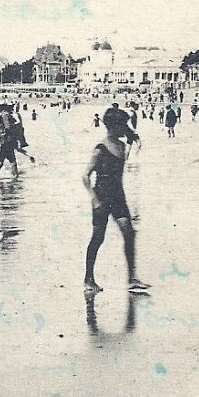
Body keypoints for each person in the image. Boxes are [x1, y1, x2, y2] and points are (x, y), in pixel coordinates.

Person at [82, 120, 150, 294]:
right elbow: (85, 176)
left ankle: (132, 279)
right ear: (112, 126)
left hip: (118, 197)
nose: (123, 128)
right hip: (102, 198)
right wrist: (94, 199)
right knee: (98, 238)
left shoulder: (120, 145)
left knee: (129, 233)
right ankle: (88, 279)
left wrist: (133, 141)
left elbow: (122, 162)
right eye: (121, 125)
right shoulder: (100, 149)